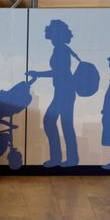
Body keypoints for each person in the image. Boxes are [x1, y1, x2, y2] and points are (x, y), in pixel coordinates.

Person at [26, 19, 80, 168]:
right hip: (63, 91)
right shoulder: (62, 49)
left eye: (50, 31)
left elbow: (59, 72)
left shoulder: (61, 50)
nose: (48, 34)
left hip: (64, 91)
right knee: (61, 123)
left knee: (58, 123)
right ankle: (67, 158)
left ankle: (65, 158)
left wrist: (38, 73)